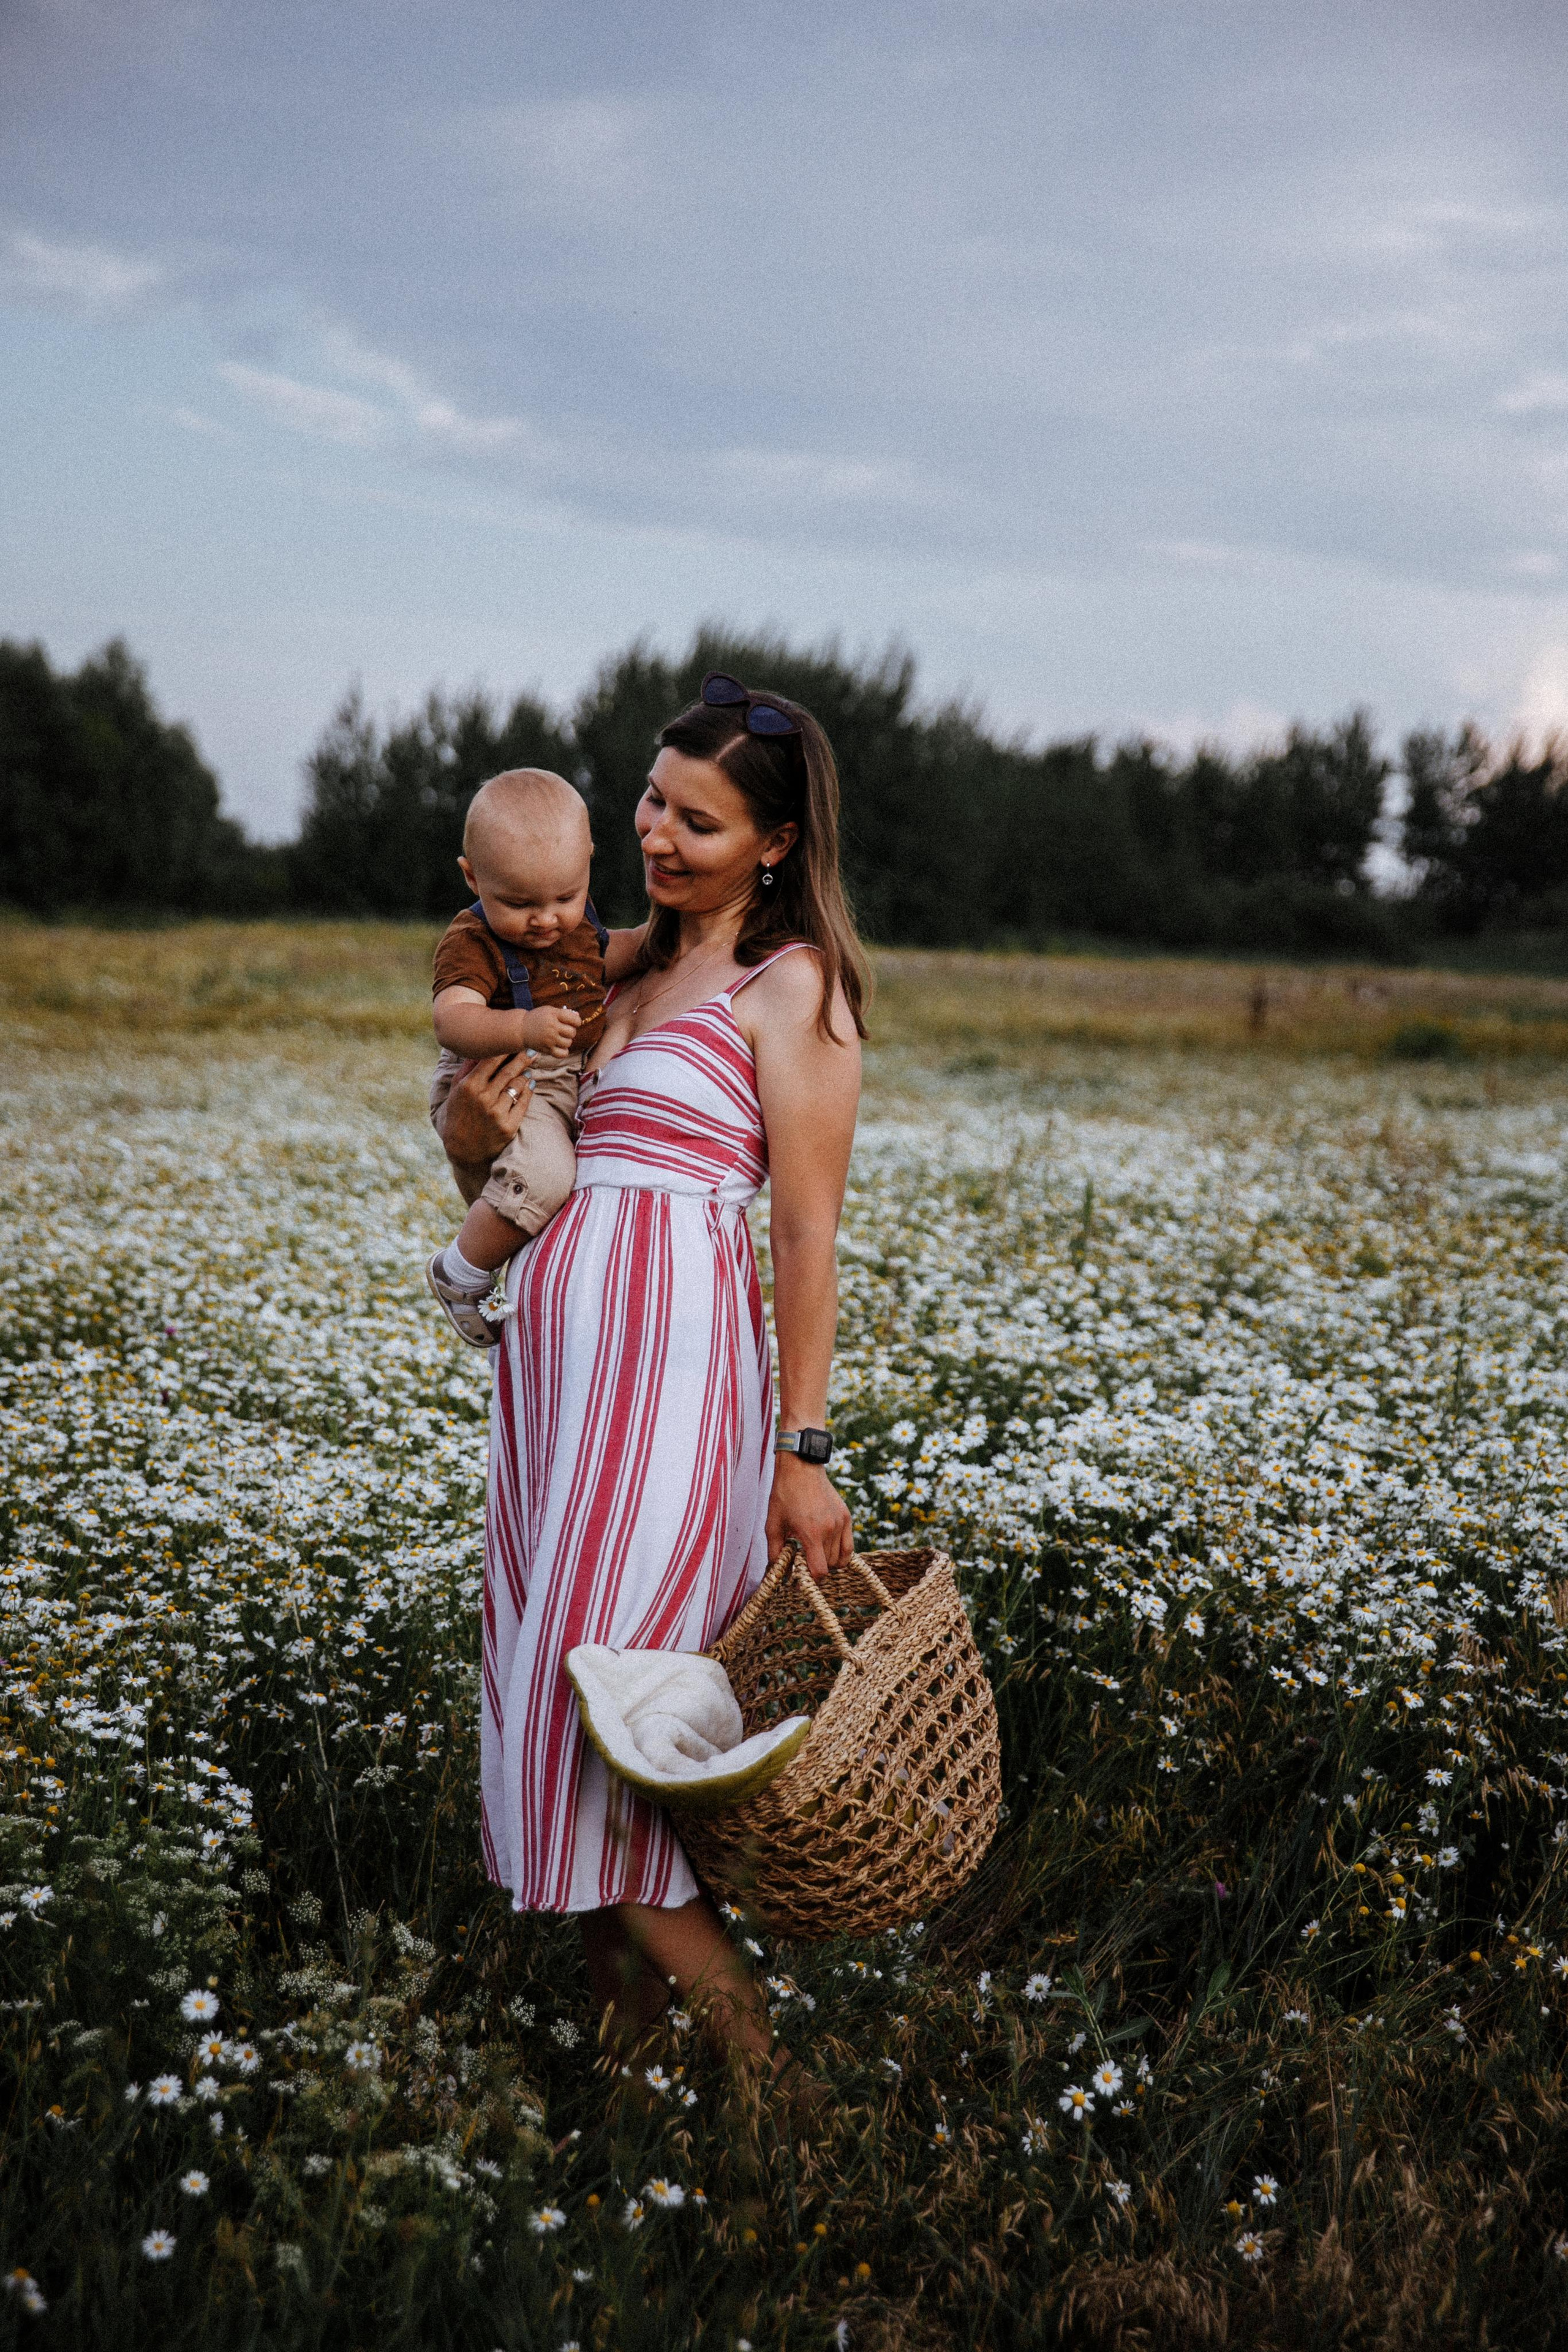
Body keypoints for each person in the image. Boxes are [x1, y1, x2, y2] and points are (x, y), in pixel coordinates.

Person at [435, 672, 866, 2067]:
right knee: (552, 1683)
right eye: (648, 801)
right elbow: (528, 1156)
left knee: (600, 1718)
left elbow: (803, 1233)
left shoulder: (787, 985)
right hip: (557, 1387)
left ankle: (762, 2079)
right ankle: (625, 2080)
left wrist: (802, 1453)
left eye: (697, 818)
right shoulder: (614, 963)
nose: (655, 835)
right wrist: (471, 1134)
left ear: (776, 845)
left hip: (672, 1390)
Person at [424, 768, 646, 1345]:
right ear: (474, 878)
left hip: (562, 1074)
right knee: (546, 1178)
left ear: (588, 862)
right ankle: (462, 1271)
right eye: (519, 903)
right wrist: (521, 1024)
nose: (546, 920)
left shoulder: (575, 920)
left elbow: (607, 956)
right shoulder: (472, 940)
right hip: (509, 1072)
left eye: (566, 897)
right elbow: (452, 1018)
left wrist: (655, 941)